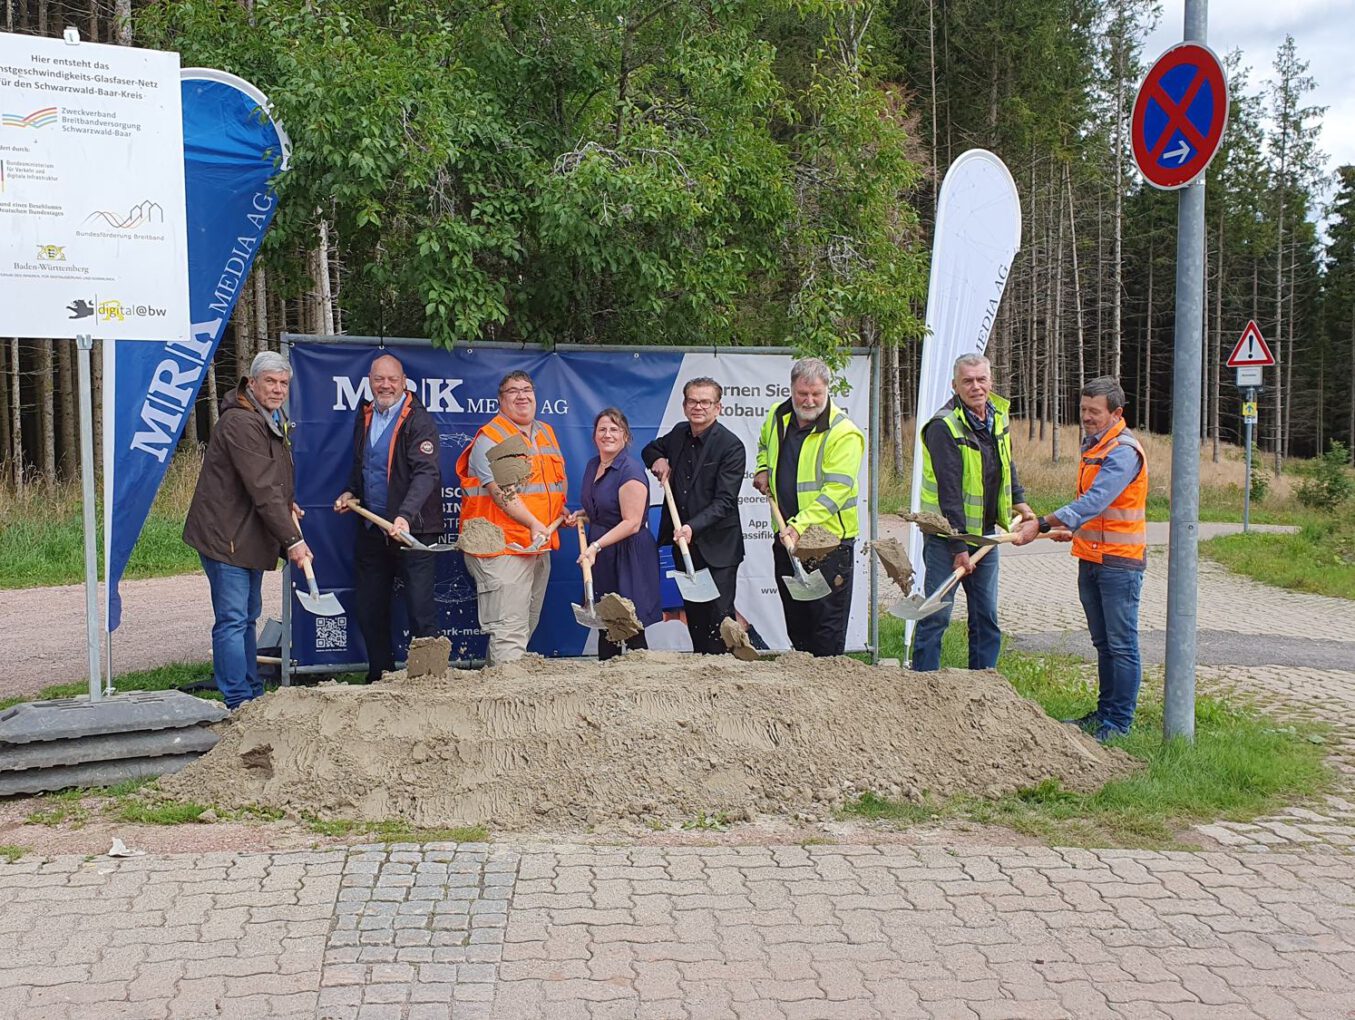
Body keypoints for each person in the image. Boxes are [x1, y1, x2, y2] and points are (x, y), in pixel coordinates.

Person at [183, 351, 309, 710]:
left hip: (246, 535)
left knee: (247, 615)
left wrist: (289, 502)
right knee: (233, 619)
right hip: (227, 538)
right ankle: (237, 698)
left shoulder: (268, 417)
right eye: (270, 381)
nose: (278, 389)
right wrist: (293, 540)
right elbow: (262, 487)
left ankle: (251, 690)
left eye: (283, 383)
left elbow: (274, 479)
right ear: (251, 383)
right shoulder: (240, 423)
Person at [911, 354, 1039, 672]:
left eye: (981, 379)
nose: (976, 386)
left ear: (990, 381)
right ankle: (921, 686)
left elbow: (1005, 465)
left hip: (985, 535)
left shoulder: (996, 416)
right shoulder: (943, 427)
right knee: (936, 614)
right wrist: (958, 548)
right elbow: (949, 493)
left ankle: (983, 685)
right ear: (955, 385)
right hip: (947, 539)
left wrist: (1021, 504)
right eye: (968, 381)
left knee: (986, 616)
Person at [1040, 376, 1148, 742]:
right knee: (1103, 644)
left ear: (1116, 413)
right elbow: (1098, 513)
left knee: (1121, 644)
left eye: (1094, 411)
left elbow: (1095, 500)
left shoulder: (1122, 450)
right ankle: (1104, 714)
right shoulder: (1094, 446)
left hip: (1119, 564)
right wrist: (1070, 529)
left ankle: (1118, 724)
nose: (1086, 416)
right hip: (1091, 558)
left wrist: (1042, 523)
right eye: (1083, 409)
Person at [333, 353, 443, 683]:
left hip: (414, 532)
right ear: (369, 381)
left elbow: (427, 473)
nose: (386, 385)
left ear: (404, 382)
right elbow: (361, 465)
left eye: (392, 379)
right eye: (379, 379)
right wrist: (351, 492)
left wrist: (405, 517)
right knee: (369, 608)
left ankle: (430, 681)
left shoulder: (418, 421)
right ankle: (380, 679)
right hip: (372, 529)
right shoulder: (365, 415)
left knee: (421, 611)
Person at [752, 357, 865, 656]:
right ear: (792, 389)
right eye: (803, 393)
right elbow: (763, 444)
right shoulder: (778, 415)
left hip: (828, 544)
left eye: (816, 393)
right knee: (797, 622)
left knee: (826, 626)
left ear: (827, 389)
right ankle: (803, 688)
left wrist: (799, 526)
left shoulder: (844, 433)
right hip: (787, 539)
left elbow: (836, 491)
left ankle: (830, 691)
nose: (809, 400)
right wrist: (762, 468)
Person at [455, 371, 567, 664]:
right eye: (513, 391)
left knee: (521, 628)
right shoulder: (492, 438)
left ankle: (495, 692)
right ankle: (507, 705)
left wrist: (557, 511)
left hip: (536, 546)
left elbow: (548, 485)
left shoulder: (545, 432)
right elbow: (504, 494)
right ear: (500, 401)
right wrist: (533, 523)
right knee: (509, 632)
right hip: (503, 549)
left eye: (527, 389)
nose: (522, 396)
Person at [641, 377, 746, 653]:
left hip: (718, 549)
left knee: (719, 619)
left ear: (718, 407)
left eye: (705, 402)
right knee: (696, 619)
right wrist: (658, 459)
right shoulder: (678, 433)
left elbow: (725, 502)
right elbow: (649, 449)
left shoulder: (731, 446)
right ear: (685, 405)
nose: (698, 407)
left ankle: (725, 672)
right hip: (685, 547)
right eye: (692, 401)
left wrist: (691, 527)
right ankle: (703, 669)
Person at [575, 408, 663, 659]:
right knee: (606, 623)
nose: (607, 434)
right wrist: (585, 513)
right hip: (603, 553)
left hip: (629, 553)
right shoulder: (594, 465)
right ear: (594, 436)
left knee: (629, 621)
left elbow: (632, 522)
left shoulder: (630, 470)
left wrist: (595, 547)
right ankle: (608, 683)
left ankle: (640, 687)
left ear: (625, 436)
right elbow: (605, 507)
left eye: (614, 429)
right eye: (602, 429)